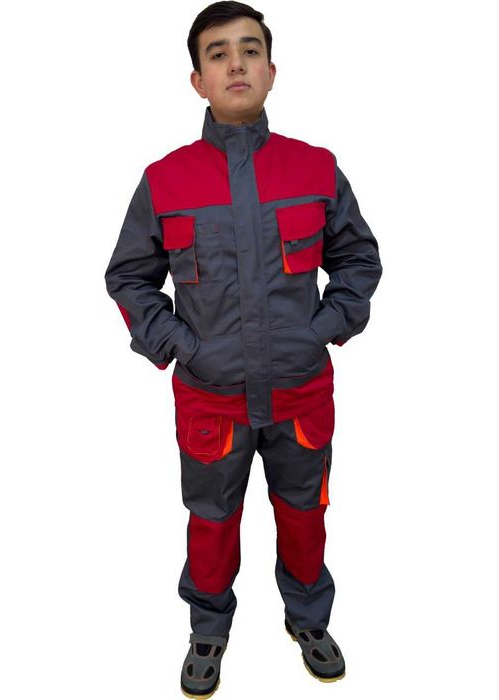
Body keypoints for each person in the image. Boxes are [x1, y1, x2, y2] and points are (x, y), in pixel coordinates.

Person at [104, 2, 383, 697]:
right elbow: (129, 277)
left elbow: (357, 259)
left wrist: (324, 327)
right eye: (218, 53)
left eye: (250, 50)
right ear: (197, 80)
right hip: (210, 397)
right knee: (211, 520)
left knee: (304, 512)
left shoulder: (315, 168)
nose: (236, 63)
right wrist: (179, 345)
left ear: (272, 70)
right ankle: (208, 627)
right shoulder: (165, 179)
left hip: (299, 391)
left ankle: (308, 618)